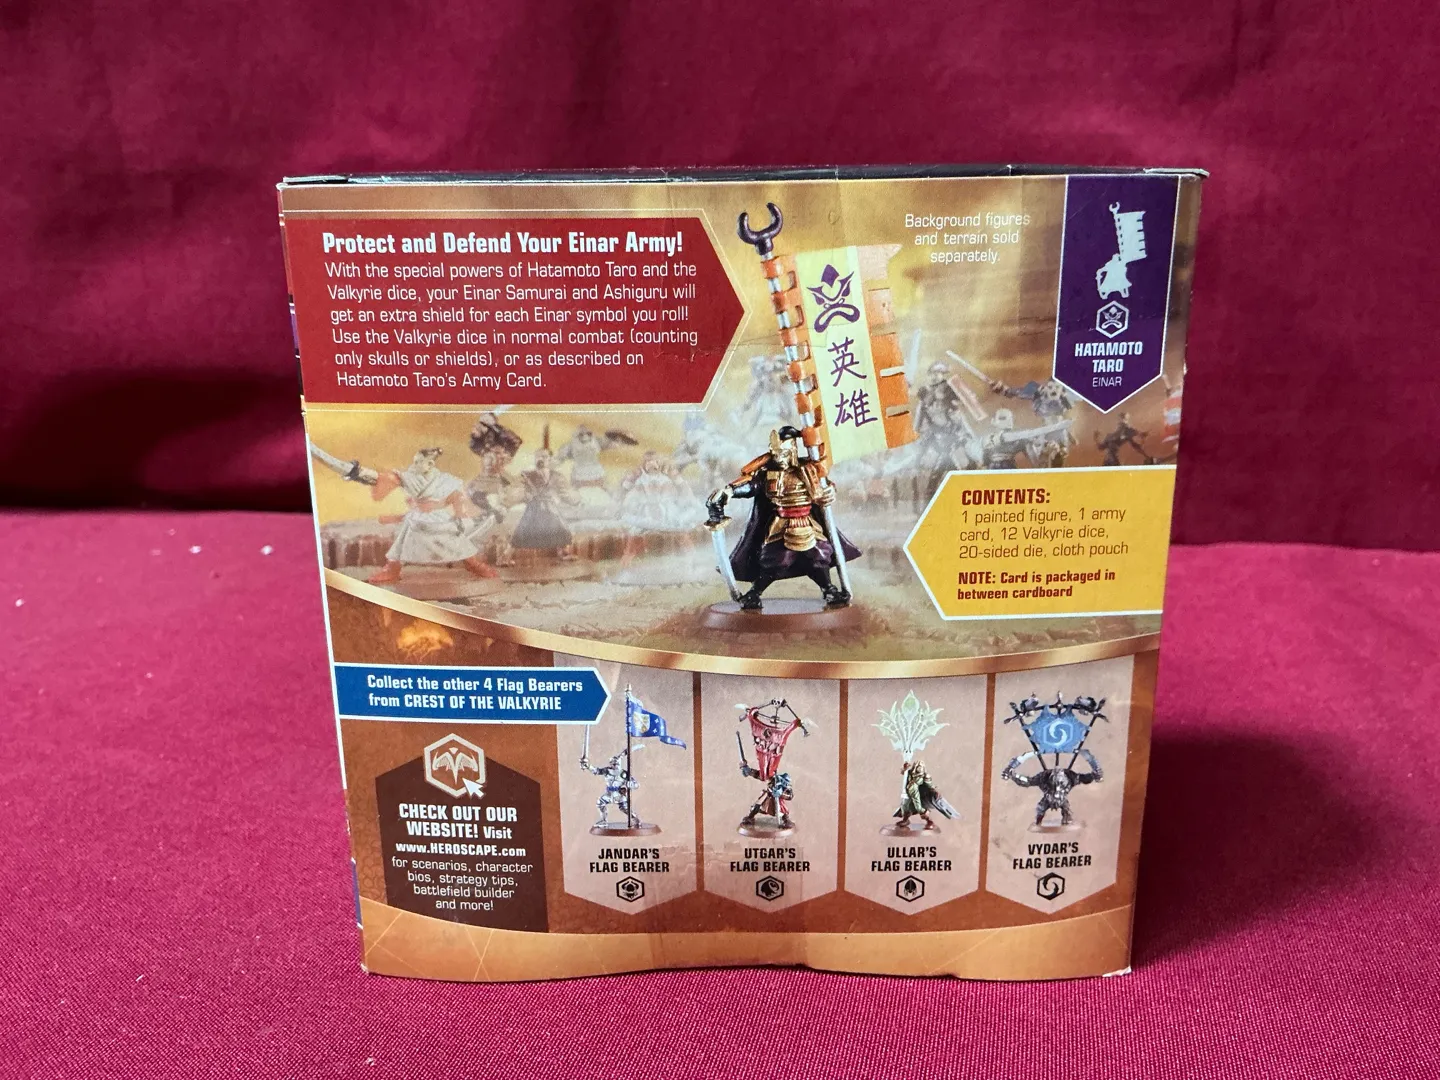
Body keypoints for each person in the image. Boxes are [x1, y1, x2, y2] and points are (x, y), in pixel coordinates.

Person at [705, 426, 860, 610]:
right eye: (776, 454)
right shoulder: (768, 474)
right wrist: (731, 491)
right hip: (781, 524)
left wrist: (829, 492)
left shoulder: (809, 469)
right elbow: (752, 486)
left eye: (783, 454)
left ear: (793, 450)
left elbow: (824, 486)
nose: (779, 458)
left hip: (807, 523)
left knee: (819, 555)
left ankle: (828, 589)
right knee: (776, 559)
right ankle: (755, 592)